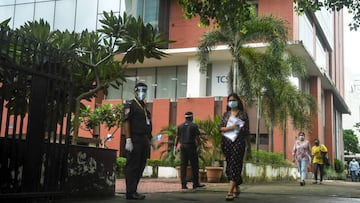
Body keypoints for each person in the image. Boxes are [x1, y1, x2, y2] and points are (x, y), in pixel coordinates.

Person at [123, 82, 152, 200]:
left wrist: (150, 139)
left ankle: (134, 189)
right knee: (133, 166)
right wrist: (128, 139)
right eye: (140, 91)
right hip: (135, 138)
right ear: (135, 91)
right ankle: (130, 191)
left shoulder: (144, 107)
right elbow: (126, 121)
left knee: (141, 165)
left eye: (144, 91)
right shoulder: (130, 104)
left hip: (144, 140)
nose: (142, 93)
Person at [218, 93, 249, 201]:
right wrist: (232, 128)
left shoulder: (243, 115)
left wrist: (249, 147)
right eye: (230, 100)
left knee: (236, 164)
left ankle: (230, 192)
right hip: (226, 143)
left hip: (238, 143)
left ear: (238, 102)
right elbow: (220, 128)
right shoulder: (226, 115)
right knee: (230, 167)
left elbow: (246, 131)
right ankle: (236, 186)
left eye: (233, 100)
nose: (231, 102)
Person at [174, 112, 205, 190]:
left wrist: (175, 147)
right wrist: (201, 146)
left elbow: (177, 137)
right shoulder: (194, 126)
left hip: (183, 147)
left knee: (183, 166)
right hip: (191, 146)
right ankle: (195, 183)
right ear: (192, 118)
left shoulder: (180, 126)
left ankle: (183, 185)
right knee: (194, 165)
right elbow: (197, 137)